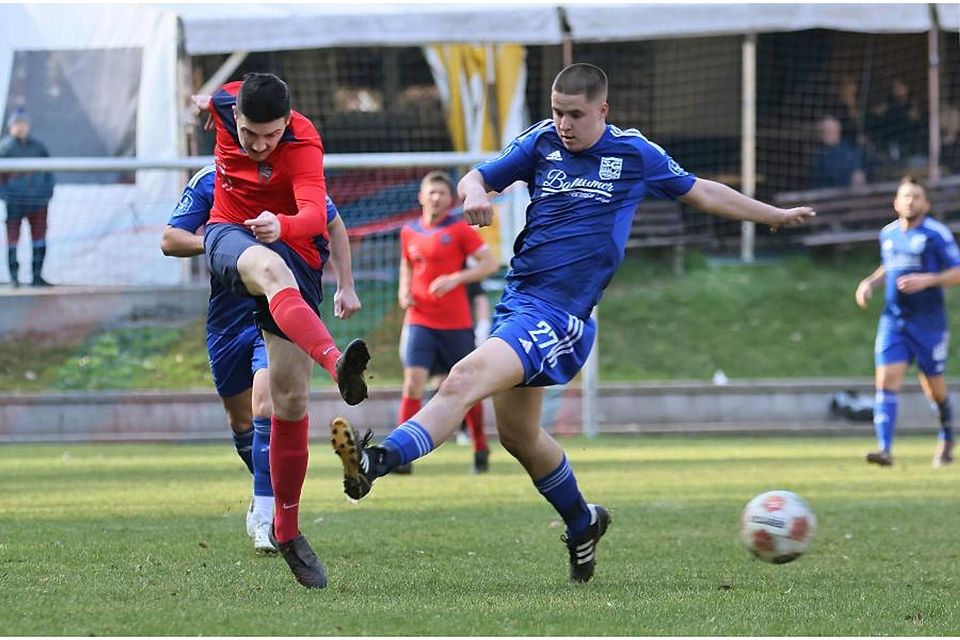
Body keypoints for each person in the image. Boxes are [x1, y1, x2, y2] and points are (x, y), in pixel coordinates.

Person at [330, 63, 815, 584]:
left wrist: (774, 216)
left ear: (602, 110)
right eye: (558, 111)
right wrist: (472, 191)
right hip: (519, 303)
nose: (564, 123)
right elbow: (477, 176)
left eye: (576, 114)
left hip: (562, 316)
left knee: (463, 379)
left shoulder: (633, 153)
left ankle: (378, 459)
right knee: (519, 436)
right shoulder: (541, 142)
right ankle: (583, 523)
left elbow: (702, 191)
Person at [191, 72, 370, 589]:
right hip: (230, 234)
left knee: (290, 401)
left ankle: (288, 531)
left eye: (271, 135)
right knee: (270, 272)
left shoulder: (305, 141)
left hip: (289, 241)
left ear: (287, 122)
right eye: (250, 135)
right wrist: (199, 102)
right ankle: (337, 361)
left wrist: (284, 225)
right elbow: (215, 95)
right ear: (235, 118)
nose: (261, 145)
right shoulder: (227, 105)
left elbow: (317, 212)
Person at [161, 165, 361, 555]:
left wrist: (347, 285)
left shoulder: (297, 177)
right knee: (241, 420)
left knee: (265, 405)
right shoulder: (211, 179)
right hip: (228, 318)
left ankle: (266, 515)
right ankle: (268, 490)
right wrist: (221, 241)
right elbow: (169, 240)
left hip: (281, 310)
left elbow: (333, 223)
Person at [395, 171, 498, 473]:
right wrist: (404, 290)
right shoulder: (408, 231)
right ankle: (401, 455)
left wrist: (456, 279)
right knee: (413, 383)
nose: (436, 198)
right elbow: (406, 264)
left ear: (450, 199)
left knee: (467, 388)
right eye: (432, 192)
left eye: (442, 193)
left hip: (456, 325)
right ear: (421, 196)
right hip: (420, 321)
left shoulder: (460, 230)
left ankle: (480, 446)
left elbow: (489, 264)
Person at [854, 176, 960, 468]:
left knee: (933, 387)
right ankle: (884, 449)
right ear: (896, 202)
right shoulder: (888, 234)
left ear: (926, 203)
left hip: (929, 324)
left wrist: (930, 279)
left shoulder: (936, 234)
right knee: (886, 381)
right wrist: (869, 283)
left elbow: (957, 271)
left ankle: (946, 436)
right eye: (905, 196)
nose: (910, 201)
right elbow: (889, 265)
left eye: (916, 196)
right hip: (895, 321)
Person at [0, 108, 55, 287]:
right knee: (13, 239)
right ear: (11, 127)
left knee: (39, 238)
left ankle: (37, 276)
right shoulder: (5, 148)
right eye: (17, 124)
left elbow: (49, 173)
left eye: (23, 123)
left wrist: (46, 194)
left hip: (38, 203)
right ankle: (14, 278)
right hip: (15, 203)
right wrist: (6, 195)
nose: (21, 127)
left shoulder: (38, 147)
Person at [809, 116, 867, 190]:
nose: (834, 133)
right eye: (829, 131)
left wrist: (859, 172)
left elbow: (860, 162)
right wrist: (851, 176)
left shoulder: (846, 146)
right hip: (830, 194)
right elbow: (831, 174)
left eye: (836, 130)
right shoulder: (820, 153)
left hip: (855, 192)